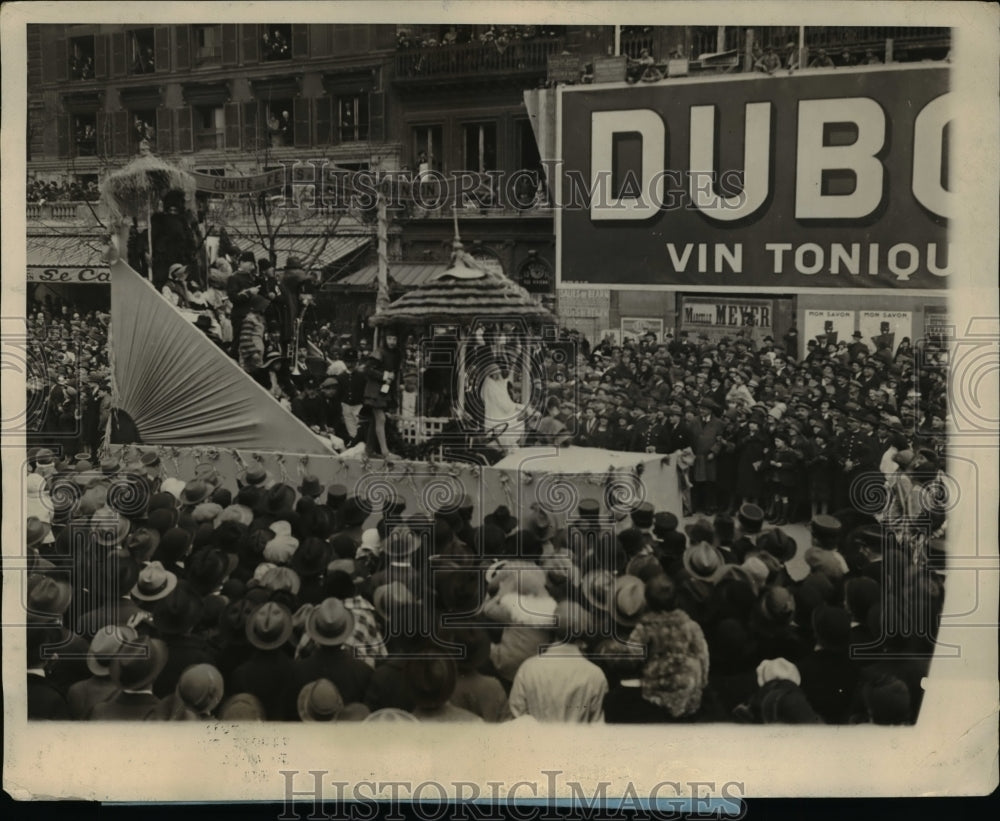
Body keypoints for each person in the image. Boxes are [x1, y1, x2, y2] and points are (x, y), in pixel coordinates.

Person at [362, 331, 402, 459]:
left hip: (383, 391)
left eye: (394, 339)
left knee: (375, 421)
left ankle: (368, 450)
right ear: (385, 339)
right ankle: (385, 452)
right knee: (381, 419)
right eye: (390, 338)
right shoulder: (379, 352)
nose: (392, 342)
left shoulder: (395, 354)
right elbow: (368, 370)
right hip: (375, 390)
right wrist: (384, 375)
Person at [480, 361, 526, 451]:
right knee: (519, 420)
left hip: (494, 413)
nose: (498, 376)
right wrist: (516, 406)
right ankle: (509, 445)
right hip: (497, 415)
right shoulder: (491, 385)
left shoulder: (490, 384)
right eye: (497, 374)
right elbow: (504, 405)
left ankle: (510, 445)